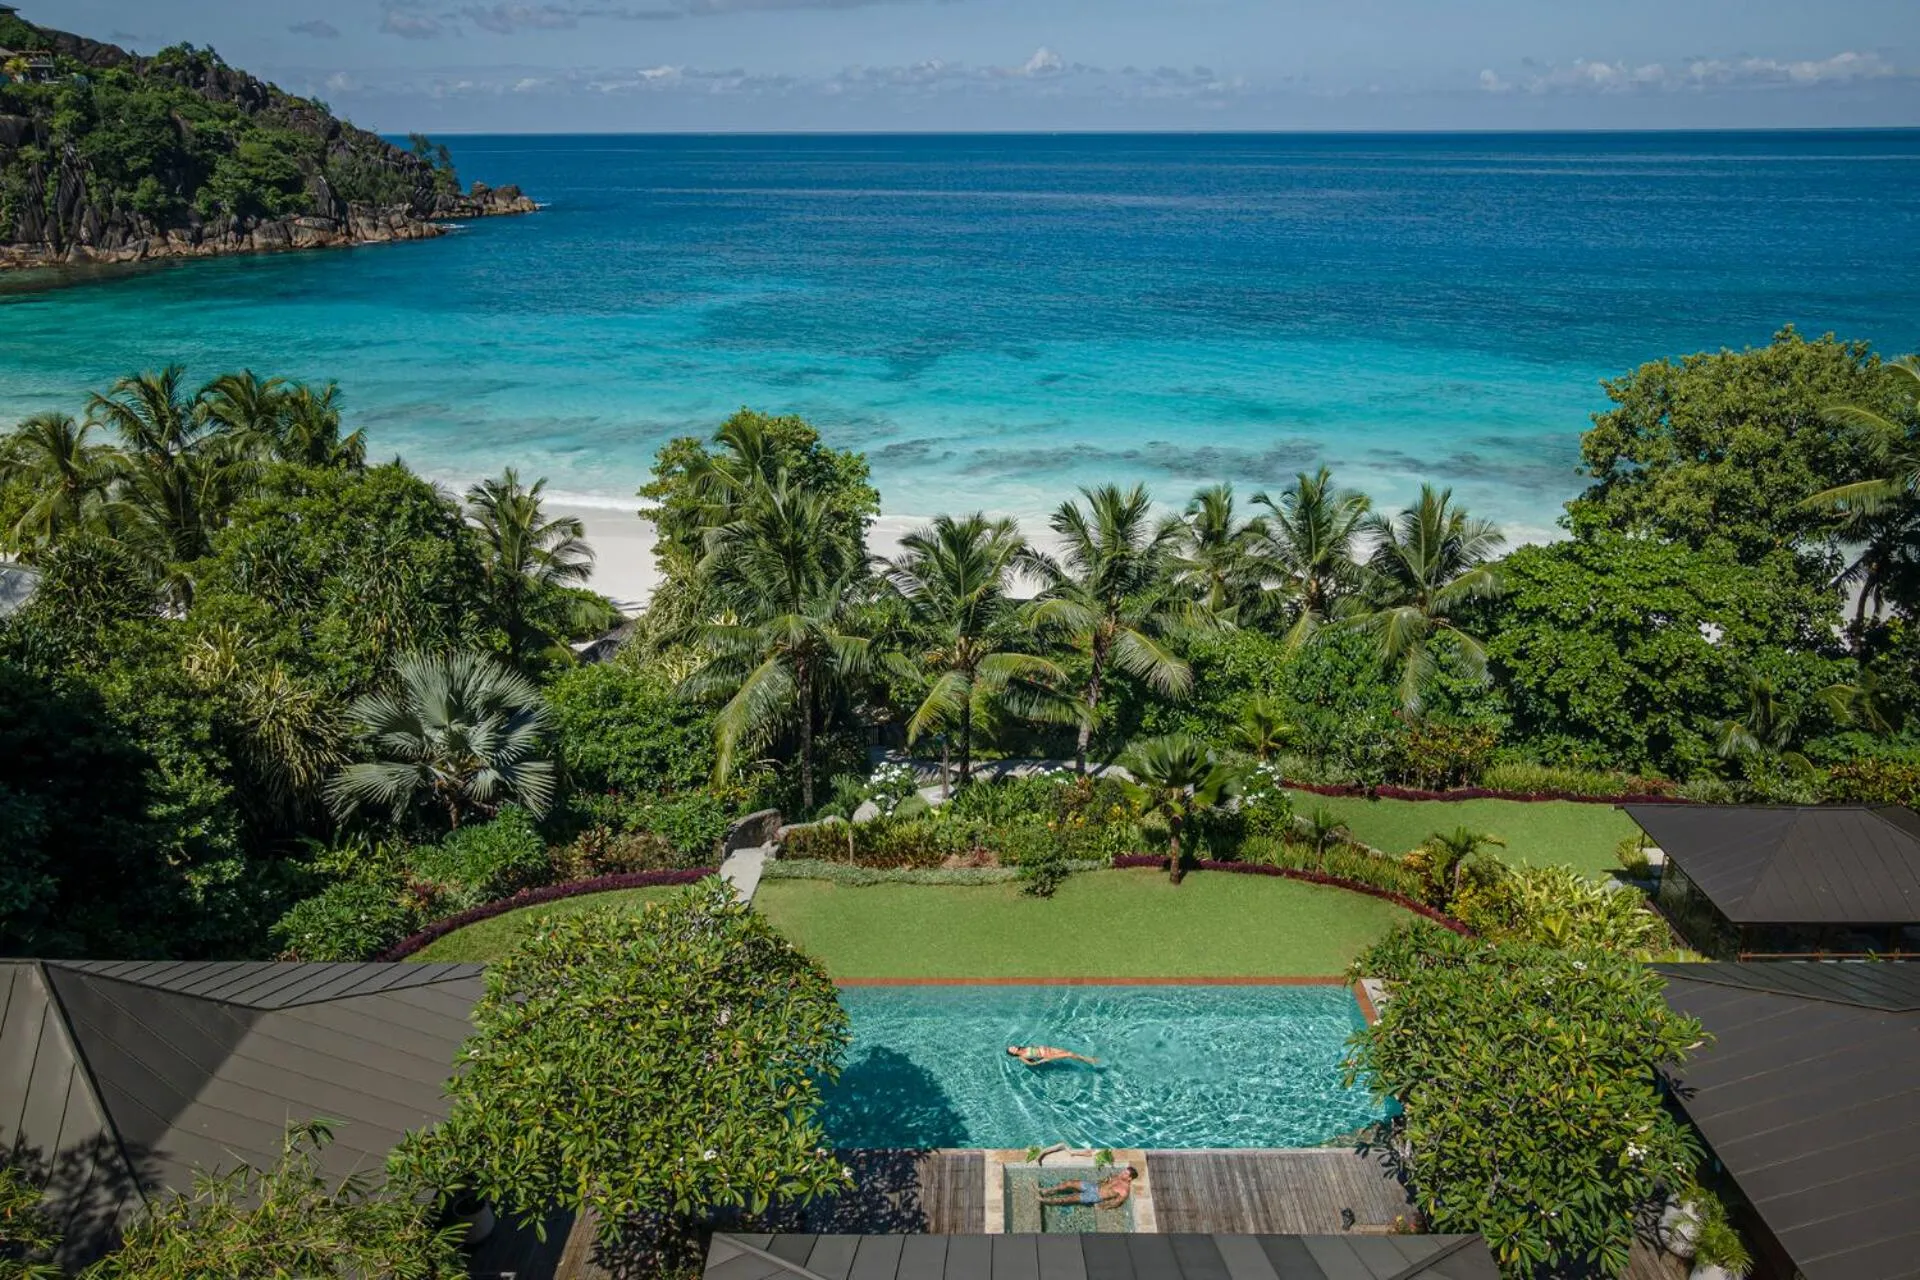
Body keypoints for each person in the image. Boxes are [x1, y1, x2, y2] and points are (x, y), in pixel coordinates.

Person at [1038, 1166, 1137, 1209]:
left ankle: (1046, 1201)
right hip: (1094, 1186)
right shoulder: (1118, 1176)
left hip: (1096, 1196)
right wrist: (1102, 1181)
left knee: (1069, 1198)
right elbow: (1106, 1180)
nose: (1122, 1172)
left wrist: (1103, 1206)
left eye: (1125, 1173)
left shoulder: (1124, 1191)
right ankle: (1047, 1190)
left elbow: (1116, 1203)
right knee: (1069, 1183)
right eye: (1124, 1171)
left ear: (1129, 1178)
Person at [1007, 1044, 1099, 1067]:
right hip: (1048, 1055)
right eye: (1012, 1049)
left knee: (1071, 1054)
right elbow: (1031, 1064)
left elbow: (1035, 1048)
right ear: (1013, 1053)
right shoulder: (1021, 1057)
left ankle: (1087, 1061)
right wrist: (1042, 1061)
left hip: (1049, 1049)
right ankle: (1091, 1060)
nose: (1014, 1048)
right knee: (1069, 1054)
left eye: (1012, 1047)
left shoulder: (1023, 1048)